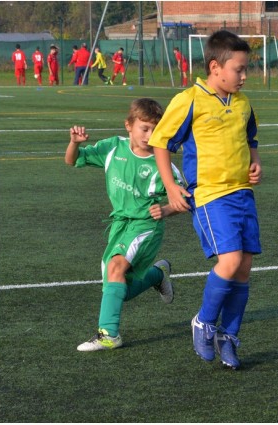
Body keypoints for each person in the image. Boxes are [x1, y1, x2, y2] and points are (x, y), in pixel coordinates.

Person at [150, 30, 262, 370]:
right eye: (239, 70)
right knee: (228, 261)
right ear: (216, 67)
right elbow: (161, 142)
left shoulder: (243, 103)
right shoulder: (190, 100)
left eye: (246, 70)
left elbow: (251, 138)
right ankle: (203, 321)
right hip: (212, 195)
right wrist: (171, 187)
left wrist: (255, 163)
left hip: (243, 193)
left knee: (243, 269)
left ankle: (229, 337)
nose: (244, 77)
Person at [64, 98, 184, 352]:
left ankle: (109, 335)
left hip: (146, 227)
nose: (150, 136)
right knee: (120, 287)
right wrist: (74, 143)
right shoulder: (112, 148)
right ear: (129, 125)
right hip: (120, 225)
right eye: (145, 128)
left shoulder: (162, 164)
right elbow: (72, 160)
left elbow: (186, 199)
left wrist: (165, 209)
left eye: (155, 130)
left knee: (116, 267)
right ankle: (157, 275)